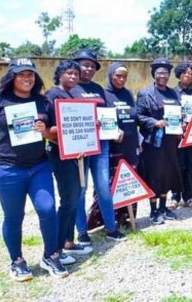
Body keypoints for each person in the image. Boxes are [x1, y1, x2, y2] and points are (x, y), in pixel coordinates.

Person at [0, 58, 68, 280]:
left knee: (47, 209)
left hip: (39, 166)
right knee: (14, 217)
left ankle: (50, 255)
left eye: (30, 74)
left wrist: (45, 132)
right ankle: (17, 261)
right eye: (21, 74)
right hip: (8, 168)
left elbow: (57, 132)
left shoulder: (42, 101)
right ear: (12, 77)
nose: (27, 78)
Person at [72, 49, 125, 244]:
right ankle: (82, 232)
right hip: (79, 146)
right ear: (76, 65)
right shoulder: (69, 88)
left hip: (101, 144)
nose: (88, 68)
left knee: (103, 186)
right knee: (80, 189)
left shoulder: (98, 89)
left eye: (92, 66)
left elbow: (107, 114)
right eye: (85, 64)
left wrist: (115, 130)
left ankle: (111, 228)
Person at [46, 60, 93, 266]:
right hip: (61, 155)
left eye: (76, 74)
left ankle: (68, 241)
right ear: (59, 74)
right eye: (69, 73)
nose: (73, 77)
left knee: (75, 197)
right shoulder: (52, 96)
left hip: (76, 154)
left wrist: (91, 124)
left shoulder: (72, 95)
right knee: (69, 199)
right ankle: (55, 249)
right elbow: (50, 129)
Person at [137, 58, 183, 225]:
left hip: (170, 141)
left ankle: (164, 207)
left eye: (166, 73)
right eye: (159, 73)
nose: (163, 75)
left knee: (168, 174)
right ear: (154, 74)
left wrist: (181, 120)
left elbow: (178, 112)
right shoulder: (145, 93)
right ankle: (153, 210)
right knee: (154, 175)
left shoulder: (173, 93)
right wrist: (155, 123)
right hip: (153, 143)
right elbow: (140, 117)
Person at [104, 62, 140, 225]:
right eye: (118, 75)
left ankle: (128, 218)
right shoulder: (104, 94)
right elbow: (101, 120)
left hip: (131, 145)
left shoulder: (128, 94)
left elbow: (134, 118)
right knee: (113, 182)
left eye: (124, 76)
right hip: (113, 147)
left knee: (130, 181)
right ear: (111, 75)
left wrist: (138, 140)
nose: (121, 79)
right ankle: (112, 220)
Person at [171, 62, 192, 208]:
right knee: (178, 166)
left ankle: (188, 197)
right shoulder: (171, 93)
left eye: (190, 73)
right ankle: (175, 197)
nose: (187, 75)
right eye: (184, 72)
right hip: (177, 136)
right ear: (179, 74)